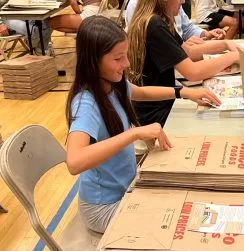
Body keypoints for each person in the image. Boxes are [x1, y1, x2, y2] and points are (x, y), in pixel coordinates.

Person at [65, 16, 220, 233]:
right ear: (93, 60)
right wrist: (134, 133)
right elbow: (74, 161)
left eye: (125, 56)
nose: (126, 63)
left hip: (126, 187)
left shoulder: (112, 84)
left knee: (184, 194)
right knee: (178, 220)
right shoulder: (86, 104)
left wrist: (184, 92)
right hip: (104, 207)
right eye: (118, 58)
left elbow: (141, 92)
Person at [127, 0, 239, 127]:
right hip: (158, 115)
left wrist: (225, 44)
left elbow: (189, 51)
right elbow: (193, 72)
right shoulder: (155, 25)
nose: (183, 1)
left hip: (163, 103)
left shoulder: (157, 19)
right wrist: (233, 56)